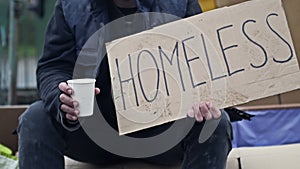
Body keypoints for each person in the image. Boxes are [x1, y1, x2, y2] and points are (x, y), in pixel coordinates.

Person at [17, 0, 233, 169]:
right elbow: (53, 65)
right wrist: (60, 96)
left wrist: (201, 96)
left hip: (165, 130)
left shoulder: (179, 2)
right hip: (92, 132)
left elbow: (202, 63)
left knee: (214, 122)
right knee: (35, 118)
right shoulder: (71, 5)